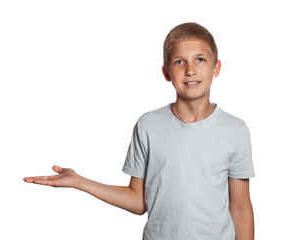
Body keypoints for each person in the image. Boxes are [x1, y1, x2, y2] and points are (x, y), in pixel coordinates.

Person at [24, 22, 255, 240]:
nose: (190, 70)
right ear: (166, 73)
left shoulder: (234, 130)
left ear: (216, 68)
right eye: (179, 62)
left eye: (200, 60)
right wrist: (79, 182)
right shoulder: (148, 126)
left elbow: (241, 207)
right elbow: (139, 200)